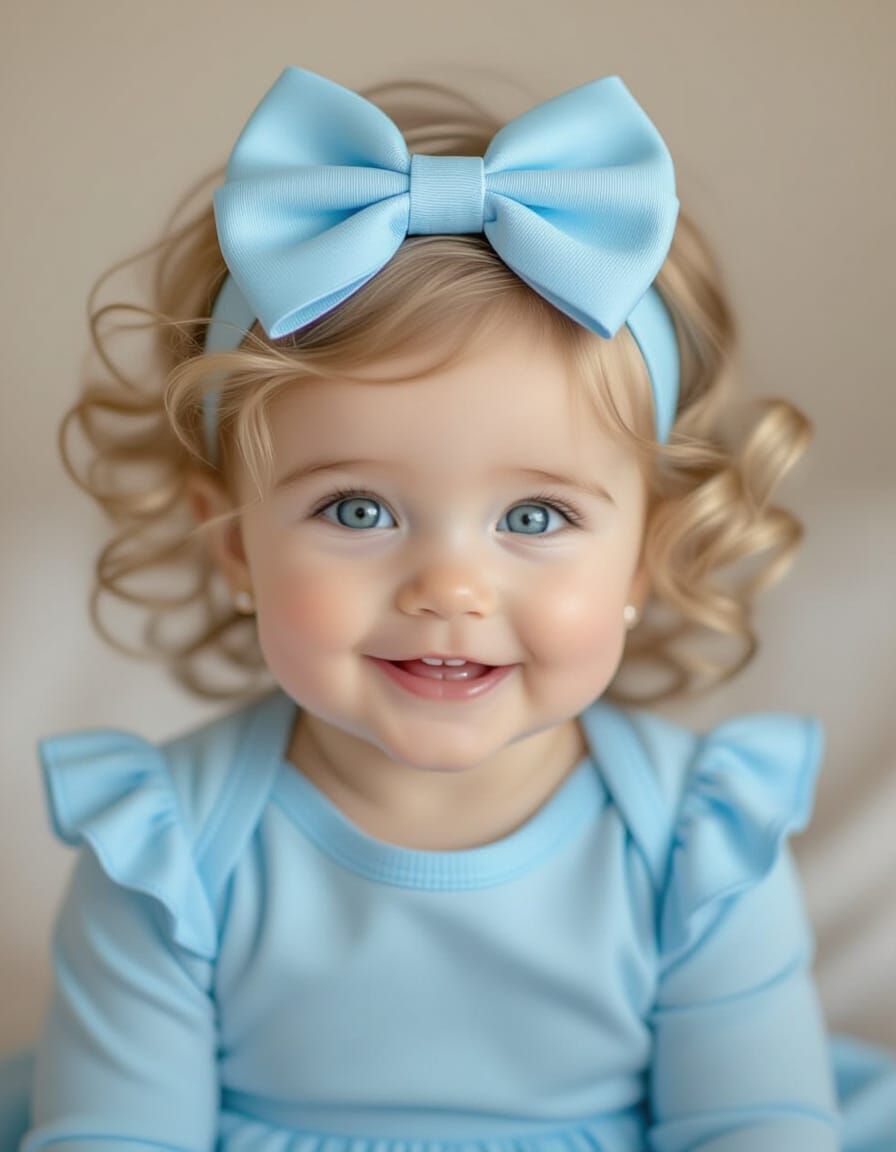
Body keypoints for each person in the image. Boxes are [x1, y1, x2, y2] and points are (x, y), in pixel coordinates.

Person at [3, 64, 895, 1152]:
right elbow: (118, 1135)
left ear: (647, 557)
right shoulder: (168, 853)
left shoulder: (697, 846)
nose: (447, 587)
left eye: (532, 518)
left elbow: (752, 1127)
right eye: (358, 507)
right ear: (233, 542)